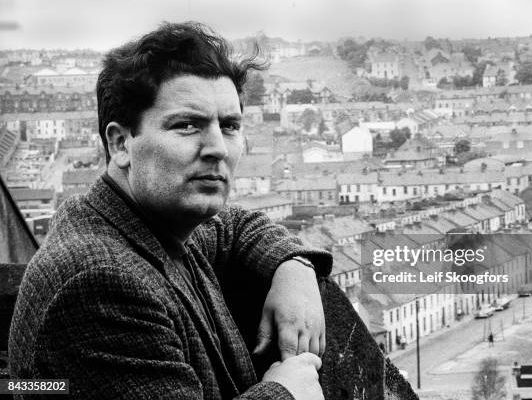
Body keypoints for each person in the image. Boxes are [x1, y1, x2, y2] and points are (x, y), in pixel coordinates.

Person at [9, 22, 333, 400]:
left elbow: (236, 226)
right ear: (120, 144)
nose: (218, 149)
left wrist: (295, 268)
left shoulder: (148, 221)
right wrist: (286, 392)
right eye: (187, 125)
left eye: (229, 126)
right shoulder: (101, 283)